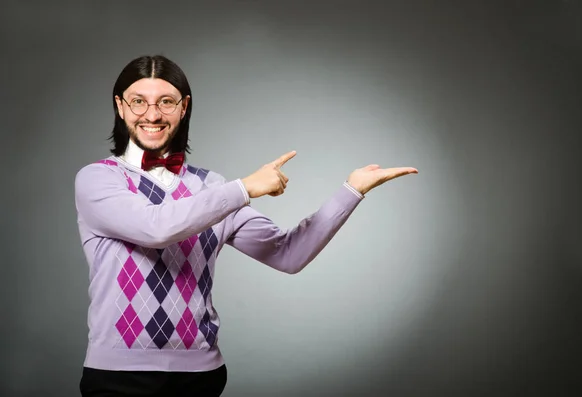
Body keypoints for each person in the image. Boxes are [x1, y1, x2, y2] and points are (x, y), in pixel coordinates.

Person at [74, 54, 418, 397]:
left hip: (201, 375)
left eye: (166, 101)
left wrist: (352, 190)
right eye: (138, 102)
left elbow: (288, 254)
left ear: (184, 107)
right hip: (118, 375)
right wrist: (244, 188)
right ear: (120, 106)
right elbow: (156, 228)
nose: (152, 114)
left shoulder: (213, 187)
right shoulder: (99, 179)